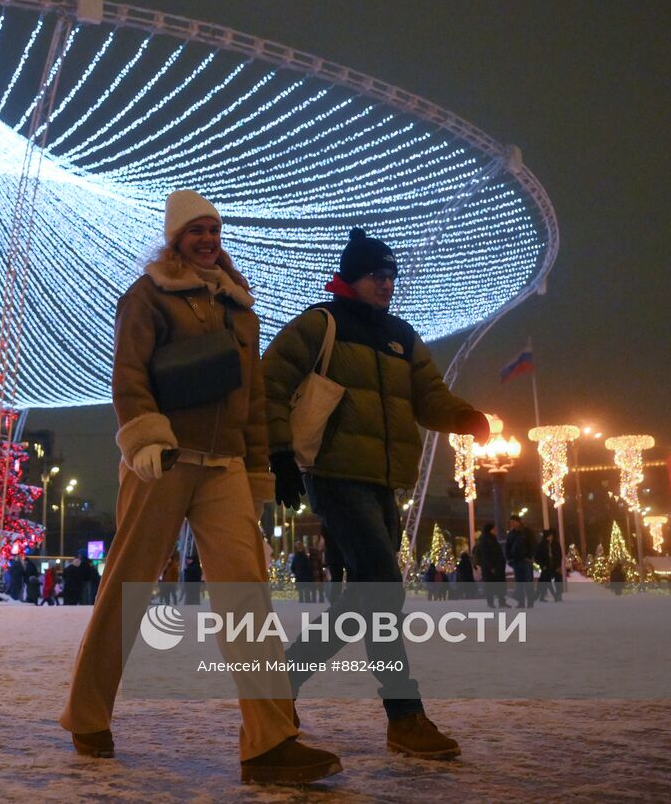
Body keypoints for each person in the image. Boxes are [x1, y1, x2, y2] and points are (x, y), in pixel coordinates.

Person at [61, 190, 340, 784]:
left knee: (247, 594)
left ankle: (269, 743)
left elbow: (255, 401)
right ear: (175, 239)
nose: (207, 239)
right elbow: (130, 374)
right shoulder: (148, 296)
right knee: (129, 587)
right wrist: (145, 438)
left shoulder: (242, 309)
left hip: (226, 465)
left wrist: (261, 467)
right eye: (195, 231)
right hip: (163, 460)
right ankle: (87, 713)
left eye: (214, 228)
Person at [265, 228, 490, 760]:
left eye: (391, 276)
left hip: (383, 483)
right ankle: (406, 717)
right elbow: (270, 381)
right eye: (376, 275)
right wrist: (279, 453)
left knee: (360, 600)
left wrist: (463, 416)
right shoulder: (321, 324)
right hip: (337, 477)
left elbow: (428, 396)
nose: (386, 284)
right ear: (350, 277)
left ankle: (278, 688)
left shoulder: (401, 337)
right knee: (383, 590)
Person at [474, 523, 508, 608]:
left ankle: (501, 601)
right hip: (491, 567)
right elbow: (486, 555)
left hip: (495, 566)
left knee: (497, 584)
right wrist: (491, 567)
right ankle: (492, 602)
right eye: (494, 529)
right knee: (491, 584)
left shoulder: (491, 539)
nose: (496, 531)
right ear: (490, 530)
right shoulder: (486, 540)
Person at [534, 527, 564, 603]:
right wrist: (542, 565)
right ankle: (550, 596)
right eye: (549, 535)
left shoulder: (556, 544)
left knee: (557, 579)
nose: (551, 537)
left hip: (554, 565)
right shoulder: (542, 545)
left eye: (552, 535)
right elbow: (537, 557)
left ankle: (557, 595)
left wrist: (558, 566)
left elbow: (559, 555)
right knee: (546, 581)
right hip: (546, 566)